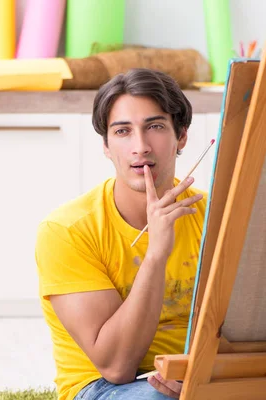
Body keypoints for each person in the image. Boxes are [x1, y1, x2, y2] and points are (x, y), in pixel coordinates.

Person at [35, 68, 207, 400]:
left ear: (181, 136)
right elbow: (117, 366)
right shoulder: (66, 231)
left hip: (196, 373)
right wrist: (156, 254)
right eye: (123, 131)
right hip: (106, 386)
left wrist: (201, 378)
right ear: (106, 145)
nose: (140, 147)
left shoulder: (216, 216)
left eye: (155, 127)